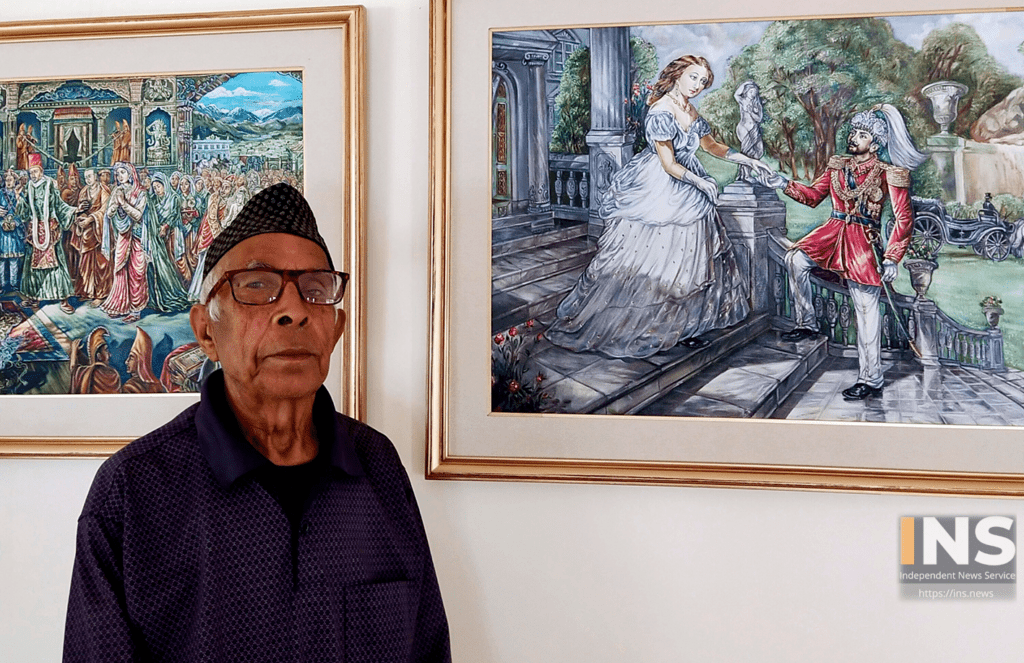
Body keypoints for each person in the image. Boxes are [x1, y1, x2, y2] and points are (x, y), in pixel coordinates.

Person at [65, 183, 451, 662]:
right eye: (256, 286)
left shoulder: (378, 467)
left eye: (315, 291)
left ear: (335, 331)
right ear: (206, 330)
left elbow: (427, 647)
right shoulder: (133, 492)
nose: (294, 310)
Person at [544, 55, 772, 358]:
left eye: (703, 81)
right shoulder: (661, 110)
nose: (698, 85)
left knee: (690, 262)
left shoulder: (690, 109)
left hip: (689, 188)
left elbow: (711, 146)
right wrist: (700, 182)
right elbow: (668, 164)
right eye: (693, 77)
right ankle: (646, 326)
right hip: (662, 186)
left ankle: (686, 326)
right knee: (659, 263)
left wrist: (749, 161)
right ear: (677, 74)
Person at [772, 104, 928, 400]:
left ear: (876, 144)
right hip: (831, 232)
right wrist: (784, 184)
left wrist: (892, 257)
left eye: (862, 134)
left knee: (866, 308)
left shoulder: (890, 173)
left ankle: (871, 379)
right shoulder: (837, 166)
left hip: (862, 241)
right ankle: (807, 324)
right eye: (854, 132)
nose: (853, 137)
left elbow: (904, 218)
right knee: (794, 258)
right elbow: (813, 197)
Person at [18, 153, 80, 313]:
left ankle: (63, 299)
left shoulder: (50, 185)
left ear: (41, 171)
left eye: (35, 172)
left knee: (57, 264)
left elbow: (59, 205)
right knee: (33, 266)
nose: (33, 175)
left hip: (50, 229)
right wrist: (20, 200)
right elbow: (24, 211)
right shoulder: (28, 187)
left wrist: (73, 210)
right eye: (31, 172)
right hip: (34, 231)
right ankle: (34, 297)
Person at [100, 162, 149, 322]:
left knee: (137, 271)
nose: (119, 176)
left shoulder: (141, 192)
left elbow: (138, 215)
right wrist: (113, 207)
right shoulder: (117, 190)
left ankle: (136, 310)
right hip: (123, 236)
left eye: (123, 172)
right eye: (117, 173)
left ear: (131, 174)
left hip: (137, 236)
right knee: (120, 269)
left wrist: (123, 204)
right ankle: (120, 305)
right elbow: (109, 213)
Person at [144, 172, 190, 311]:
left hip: (171, 234)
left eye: (159, 186)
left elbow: (174, 215)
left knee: (171, 262)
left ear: (165, 185)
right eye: (154, 187)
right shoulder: (153, 200)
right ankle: (157, 296)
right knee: (158, 265)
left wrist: (165, 227)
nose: (156, 190)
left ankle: (177, 291)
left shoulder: (174, 198)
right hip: (157, 236)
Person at [71, 168, 112, 305]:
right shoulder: (84, 191)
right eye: (86, 177)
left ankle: (100, 294)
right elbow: (80, 209)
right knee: (85, 262)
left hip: (99, 231)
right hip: (86, 232)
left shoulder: (104, 190)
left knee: (101, 264)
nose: (87, 179)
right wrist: (80, 217)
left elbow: (105, 210)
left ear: (95, 176)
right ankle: (87, 291)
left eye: (90, 176)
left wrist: (91, 219)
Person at [0, 169, 24, 294]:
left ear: (15, 181)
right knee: (2, 260)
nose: (9, 182)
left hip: (15, 231)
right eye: (7, 180)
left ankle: (14, 284)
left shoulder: (19, 195)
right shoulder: (0, 194)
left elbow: (24, 212)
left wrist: (16, 222)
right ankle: (2, 284)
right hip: (2, 232)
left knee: (14, 260)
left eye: (11, 180)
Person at [121, 326, 165, 393]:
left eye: (131, 358)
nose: (126, 362)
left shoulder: (129, 387)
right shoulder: (157, 385)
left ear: (140, 360)